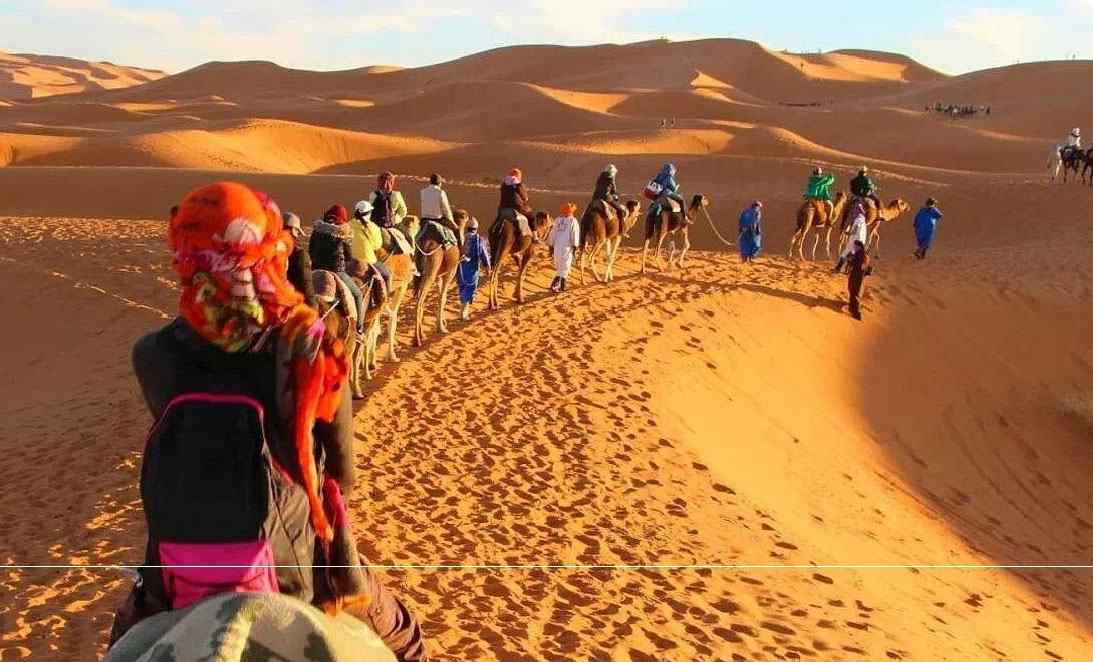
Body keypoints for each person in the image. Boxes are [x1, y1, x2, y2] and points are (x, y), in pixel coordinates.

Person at [110, 182, 427, 661]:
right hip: (292, 561)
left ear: (185, 249)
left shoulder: (151, 354)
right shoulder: (309, 344)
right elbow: (343, 472)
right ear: (268, 247)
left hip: (175, 560)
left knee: (126, 643)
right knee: (403, 637)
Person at [309, 204, 366, 333]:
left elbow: (311, 251)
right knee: (358, 294)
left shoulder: (316, 230)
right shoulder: (343, 232)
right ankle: (359, 329)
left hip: (316, 269)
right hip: (336, 271)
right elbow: (348, 256)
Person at [349, 200, 392, 294]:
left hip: (351, 260)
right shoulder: (372, 227)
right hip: (368, 260)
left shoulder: (349, 224)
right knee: (387, 275)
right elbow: (377, 245)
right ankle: (386, 300)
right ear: (369, 213)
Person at [456, 217, 491, 320]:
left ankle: (462, 313)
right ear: (476, 228)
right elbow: (484, 253)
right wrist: (488, 267)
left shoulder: (461, 238)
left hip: (460, 268)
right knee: (469, 289)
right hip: (472, 268)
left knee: (462, 288)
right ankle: (463, 314)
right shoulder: (478, 239)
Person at [282, 211, 316, 307]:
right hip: (292, 305)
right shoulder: (299, 255)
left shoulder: (267, 249)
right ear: (293, 231)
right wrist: (314, 309)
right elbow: (306, 285)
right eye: (297, 231)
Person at [547, 202, 580, 292]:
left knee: (559, 265)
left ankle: (557, 284)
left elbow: (552, 233)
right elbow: (575, 234)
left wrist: (551, 245)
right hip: (567, 246)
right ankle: (561, 285)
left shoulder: (557, 220)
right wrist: (575, 246)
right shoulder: (573, 221)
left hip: (557, 246)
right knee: (565, 265)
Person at [498, 167, 535, 240]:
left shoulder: (503, 184)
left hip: (503, 208)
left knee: (499, 217)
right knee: (531, 216)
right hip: (517, 208)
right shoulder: (519, 184)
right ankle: (535, 237)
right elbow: (525, 198)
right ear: (518, 176)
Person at [420, 173, 459, 242]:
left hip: (424, 221)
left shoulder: (423, 192)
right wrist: (452, 222)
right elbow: (446, 210)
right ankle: (461, 250)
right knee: (456, 232)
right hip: (438, 220)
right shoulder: (441, 192)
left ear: (430, 182)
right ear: (440, 183)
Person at [834, 205, 868, 273]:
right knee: (854, 254)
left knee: (846, 252)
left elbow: (854, 230)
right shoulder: (864, 223)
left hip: (854, 240)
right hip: (861, 241)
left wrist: (847, 233)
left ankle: (838, 268)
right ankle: (848, 270)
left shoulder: (857, 220)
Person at [847, 239, 872, 321]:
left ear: (858, 246)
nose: (854, 247)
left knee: (854, 293)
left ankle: (857, 313)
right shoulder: (865, 255)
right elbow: (868, 269)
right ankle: (852, 307)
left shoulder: (859, 255)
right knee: (855, 293)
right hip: (860, 278)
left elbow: (856, 264)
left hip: (857, 277)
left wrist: (850, 260)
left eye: (855, 246)